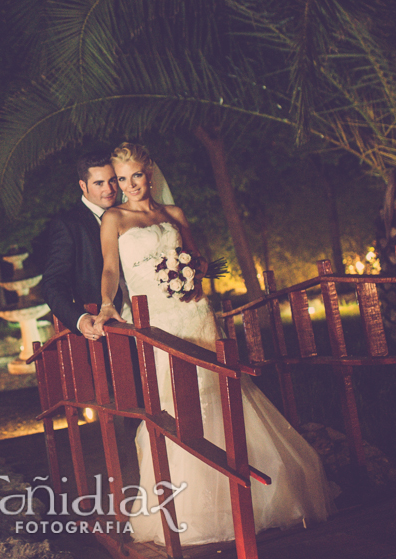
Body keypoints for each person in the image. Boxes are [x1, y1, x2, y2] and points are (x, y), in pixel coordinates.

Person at [94, 142, 335, 546]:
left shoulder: (173, 214)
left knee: (218, 393)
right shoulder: (113, 218)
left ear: (148, 173)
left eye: (135, 175)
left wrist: (191, 275)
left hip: (193, 314)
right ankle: (184, 507)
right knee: (172, 403)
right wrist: (105, 304)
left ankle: (249, 496)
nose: (129, 185)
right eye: (121, 178)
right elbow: (110, 268)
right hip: (156, 322)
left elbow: (196, 259)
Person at [41, 151, 124, 340]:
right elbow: (52, 284)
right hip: (106, 327)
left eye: (112, 180)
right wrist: (80, 318)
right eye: (99, 183)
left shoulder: (129, 214)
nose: (109, 189)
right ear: (83, 185)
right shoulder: (68, 224)